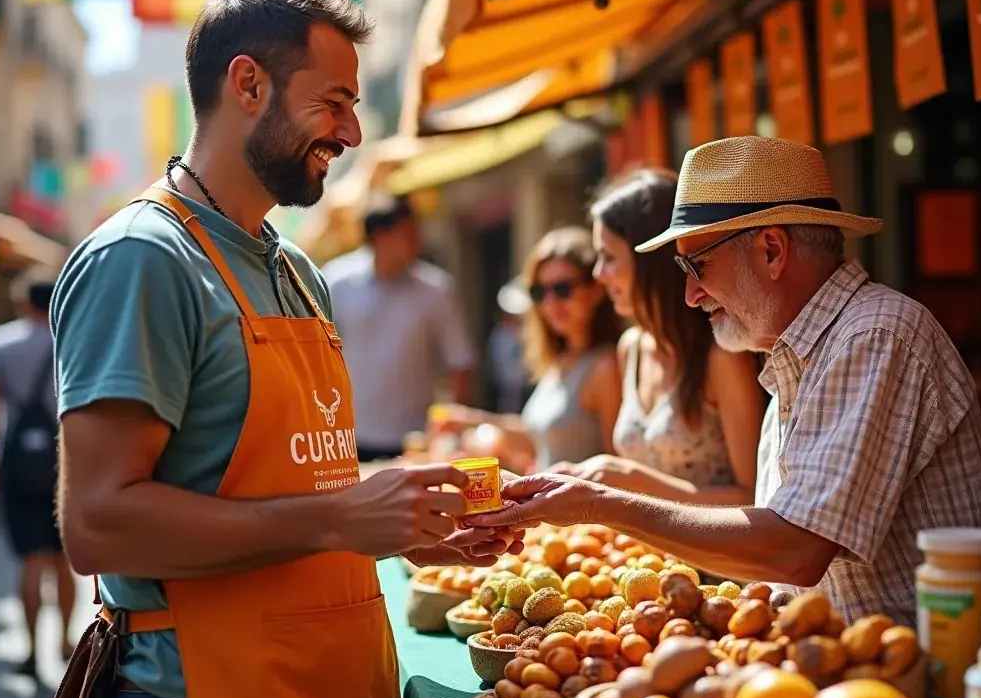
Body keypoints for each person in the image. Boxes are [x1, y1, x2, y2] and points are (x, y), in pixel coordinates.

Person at [50, 0, 518, 698]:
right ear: (248, 84)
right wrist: (342, 519)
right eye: (333, 102)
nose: (351, 132)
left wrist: (404, 525)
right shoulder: (143, 259)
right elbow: (99, 524)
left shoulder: (297, 269)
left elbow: (299, 484)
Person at [471, 137, 981, 628]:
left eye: (697, 266)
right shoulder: (799, 358)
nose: (690, 295)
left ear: (771, 250)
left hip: (915, 684)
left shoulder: (874, 335)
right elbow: (779, 562)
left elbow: (795, 551)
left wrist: (600, 503)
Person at [552, 169, 766, 504]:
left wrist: (631, 481)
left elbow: (754, 498)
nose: (598, 274)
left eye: (609, 258)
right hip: (635, 541)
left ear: (651, 260)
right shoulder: (631, 348)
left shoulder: (721, 355)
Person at [435, 226, 622, 472]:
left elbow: (617, 469)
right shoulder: (560, 360)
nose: (549, 303)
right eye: (539, 292)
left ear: (596, 289)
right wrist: (469, 422)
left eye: (562, 289)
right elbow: (540, 439)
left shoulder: (605, 366)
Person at [323, 193, 476, 462]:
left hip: (415, 443)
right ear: (380, 236)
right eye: (409, 234)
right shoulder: (336, 283)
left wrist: (451, 435)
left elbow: (460, 363)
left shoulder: (436, 290)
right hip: (347, 438)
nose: (419, 242)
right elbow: (319, 357)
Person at [0, 267, 74, 677]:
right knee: (63, 559)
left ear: (21, 302)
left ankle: (32, 650)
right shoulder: (70, 340)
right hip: (65, 461)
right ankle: (65, 642)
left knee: (30, 562)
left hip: (16, 462)